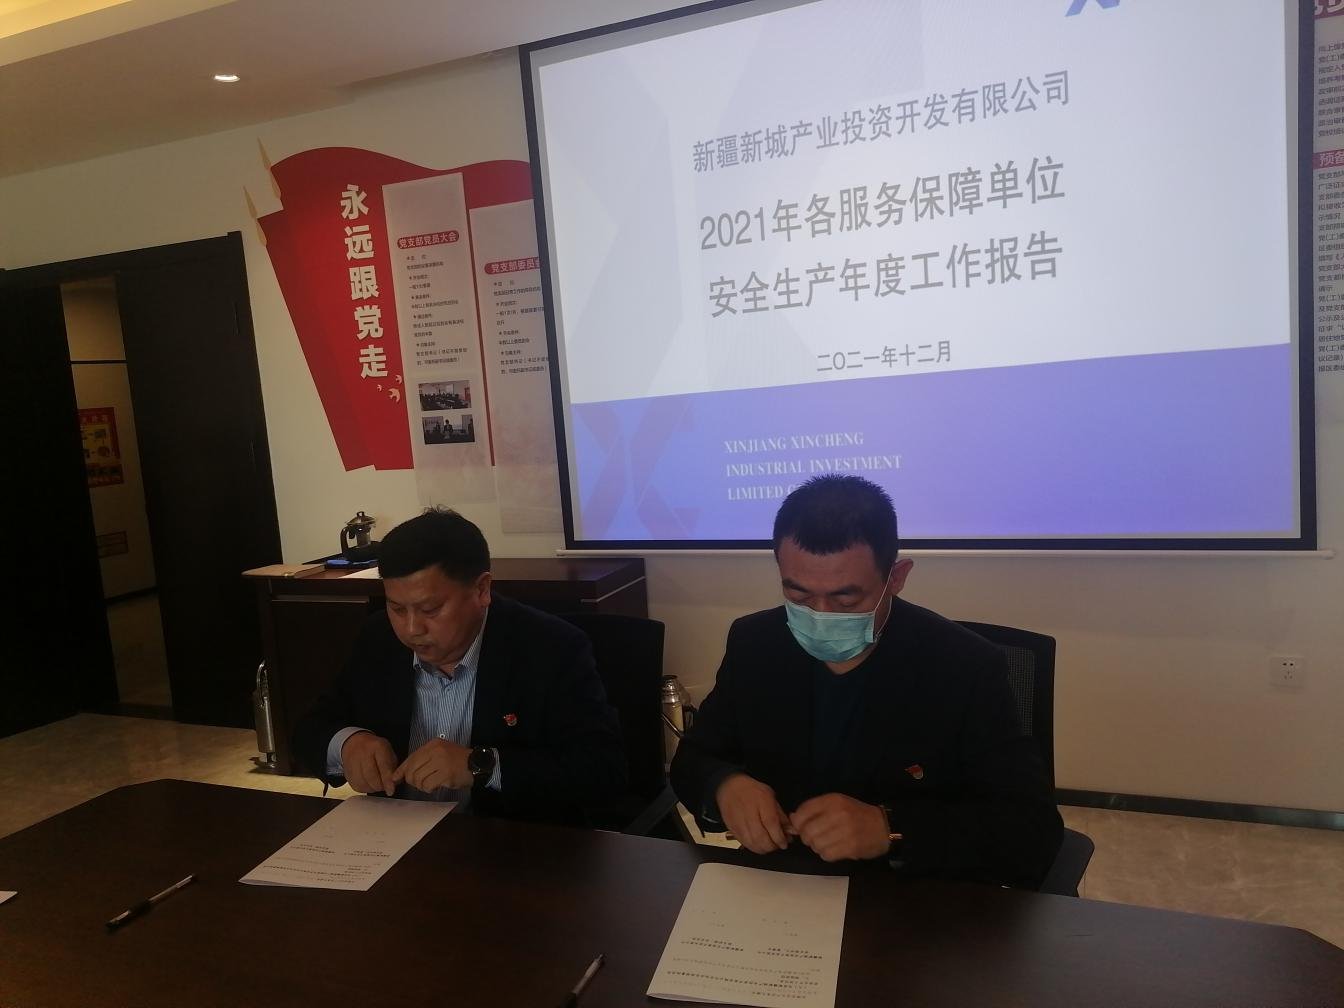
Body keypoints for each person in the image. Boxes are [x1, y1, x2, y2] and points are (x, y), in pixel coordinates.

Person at [670, 475, 1063, 888]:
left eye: (846, 599)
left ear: (896, 577)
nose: (820, 615)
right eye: (799, 596)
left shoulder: (964, 666)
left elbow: (1032, 831)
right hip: (785, 886)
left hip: (908, 895)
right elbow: (694, 759)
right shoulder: (755, 643)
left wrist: (890, 828)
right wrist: (723, 785)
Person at [293, 507, 627, 824]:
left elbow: (601, 771)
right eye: (397, 609)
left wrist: (480, 765)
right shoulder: (378, 639)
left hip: (509, 845)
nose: (412, 629)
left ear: (482, 590)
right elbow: (308, 728)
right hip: (396, 838)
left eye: (430, 609)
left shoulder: (550, 648)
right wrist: (347, 743)